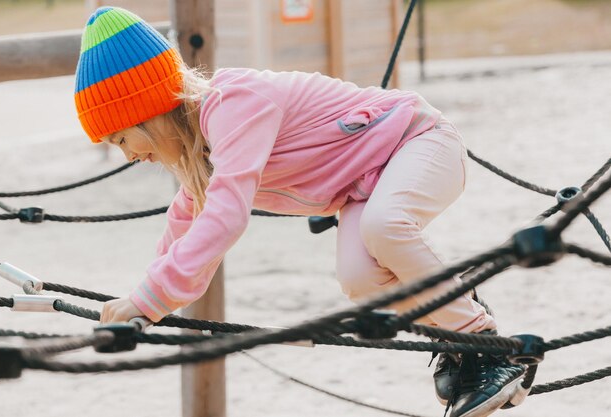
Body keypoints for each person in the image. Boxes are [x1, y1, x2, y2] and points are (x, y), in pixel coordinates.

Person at [77, 7, 527, 417]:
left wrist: (151, 299)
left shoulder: (233, 105)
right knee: (361, 280)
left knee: (383, 227)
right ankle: (459, 331)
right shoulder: (203, 151)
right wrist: (140, 300)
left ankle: (490, 347)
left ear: (150, 112)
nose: (127, 155)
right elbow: (185, 222)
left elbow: (225, 217)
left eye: (120, 139)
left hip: (417, 139)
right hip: (364, 188)